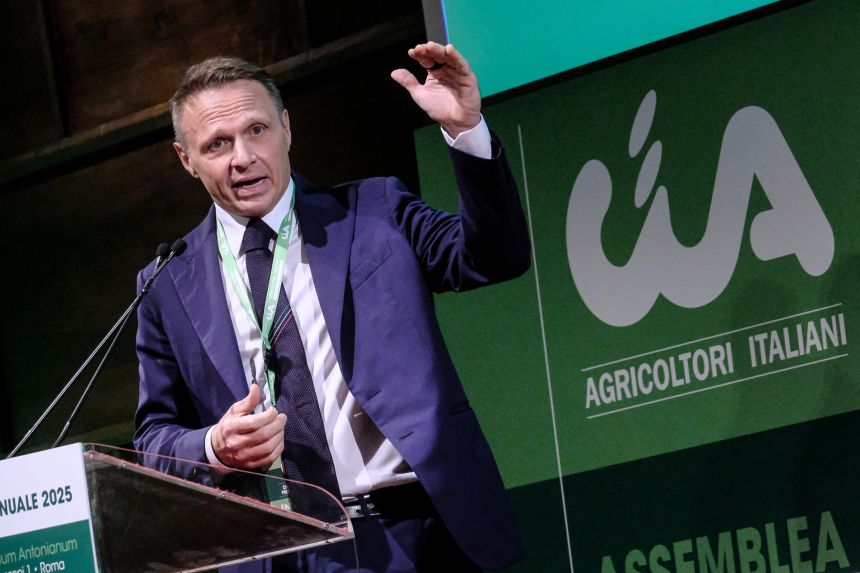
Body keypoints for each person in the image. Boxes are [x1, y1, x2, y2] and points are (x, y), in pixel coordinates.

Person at [134, 42, 529, 572]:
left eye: (257, 130)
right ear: (187, 160)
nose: (243, 157)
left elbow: (495, 257)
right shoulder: (165, 283)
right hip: (277, 551)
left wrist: (466, 130)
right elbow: (154, 437)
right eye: (217, 144)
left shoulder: (375, 213)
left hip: (417, 533)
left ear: (287, 128)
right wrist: (212, 446)